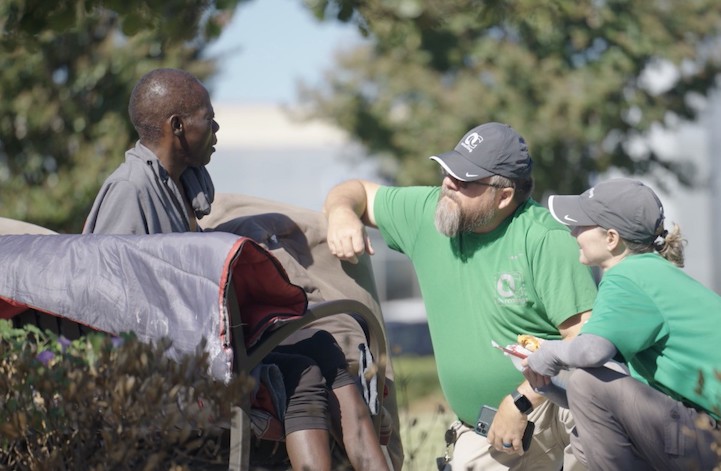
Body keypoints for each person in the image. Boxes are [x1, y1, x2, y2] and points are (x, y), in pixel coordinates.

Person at [84, 68, 388, 471]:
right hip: (175, 362)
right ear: (177, 127)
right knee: (303, 376)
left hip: (209, 343)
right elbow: (111, 302)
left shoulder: (178, 187)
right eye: (207, 118)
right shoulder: (131, 190)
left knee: (323, 348)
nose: (216, 128)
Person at [323, 122, 598, 470]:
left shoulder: (545, 239)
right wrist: (342, 212)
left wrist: (521, 402)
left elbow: (586, 348)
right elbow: (355, 190)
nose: (449, 183)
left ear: (504, 196)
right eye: (448, 170)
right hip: (484, 427)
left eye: (466, 179)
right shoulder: (430, 212)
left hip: (548, 409)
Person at [522, 178, 721, 470]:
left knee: (586, 381)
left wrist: (548, 354)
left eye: (581, 225)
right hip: (704, 433)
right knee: (585, 419)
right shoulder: (652, 273)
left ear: (612, 239)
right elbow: (609, 405)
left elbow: (591, 353)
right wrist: (548, 388)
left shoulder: (627, 277)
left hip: (710, 439)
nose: (573, 231)